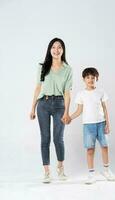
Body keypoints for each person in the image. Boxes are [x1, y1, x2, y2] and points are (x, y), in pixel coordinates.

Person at [30, 38, 72, 183]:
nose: (56, 50)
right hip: (43, 104)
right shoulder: (42, 67)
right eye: (53, 47)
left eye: (59, 47)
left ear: (63, 50)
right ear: (49, 49)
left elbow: (67, 92)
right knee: (45, 138)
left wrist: (67, 111)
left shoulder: (68, 69)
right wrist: (32, 108)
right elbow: (38, 87)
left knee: (58, 138)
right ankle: (47, 171)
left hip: (60, 104)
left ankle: (60, 167)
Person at [69, 67, 115, 184]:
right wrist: (70, 117)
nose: (90, 80)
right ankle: (91, 174)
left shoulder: (101, 92)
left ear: (96, 79)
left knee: (105, 146)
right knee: (90, 149)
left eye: (93, 78)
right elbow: (79, 110)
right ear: (84, 79)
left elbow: (105, 108)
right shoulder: (81, 94)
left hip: (101, 123)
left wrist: (107, 124)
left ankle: (106, 170)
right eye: (88, 77)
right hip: (88, 126)